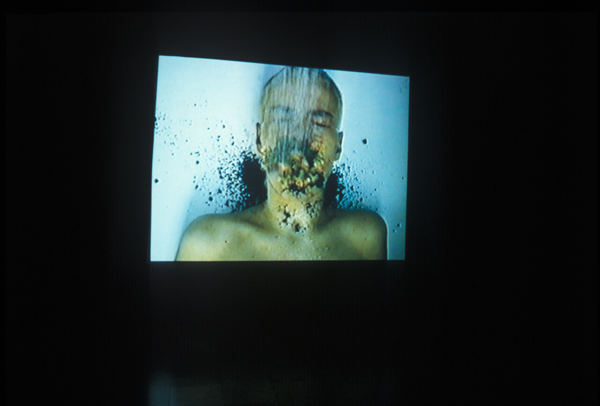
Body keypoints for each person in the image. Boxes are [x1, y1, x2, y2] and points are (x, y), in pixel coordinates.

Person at [176, 67, 387, 260]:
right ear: (260, 139)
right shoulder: (206, 244)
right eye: (283, 120)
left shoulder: (366, 237)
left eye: (319, 123)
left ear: (338, 147)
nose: (299, 135)